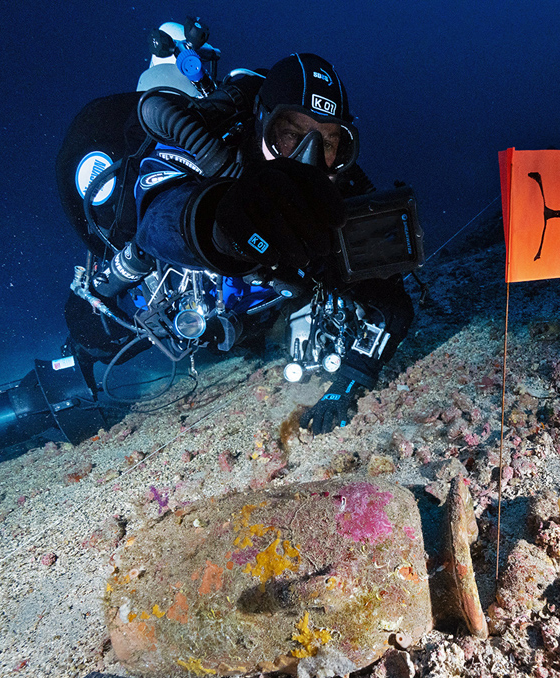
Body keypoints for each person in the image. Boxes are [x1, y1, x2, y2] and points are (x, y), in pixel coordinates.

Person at [66, 52, 413, 435]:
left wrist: (349, 382)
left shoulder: (332, 194)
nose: (310, 156)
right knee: (98, 338)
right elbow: (156, 218)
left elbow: (391, 304)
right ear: (262, 121)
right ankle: (72, 363)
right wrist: (219, 222)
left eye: (329, 141)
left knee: (258, 331)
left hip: (246, 320)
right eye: (290, 135)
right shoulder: (209, 145)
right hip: (171, 306)